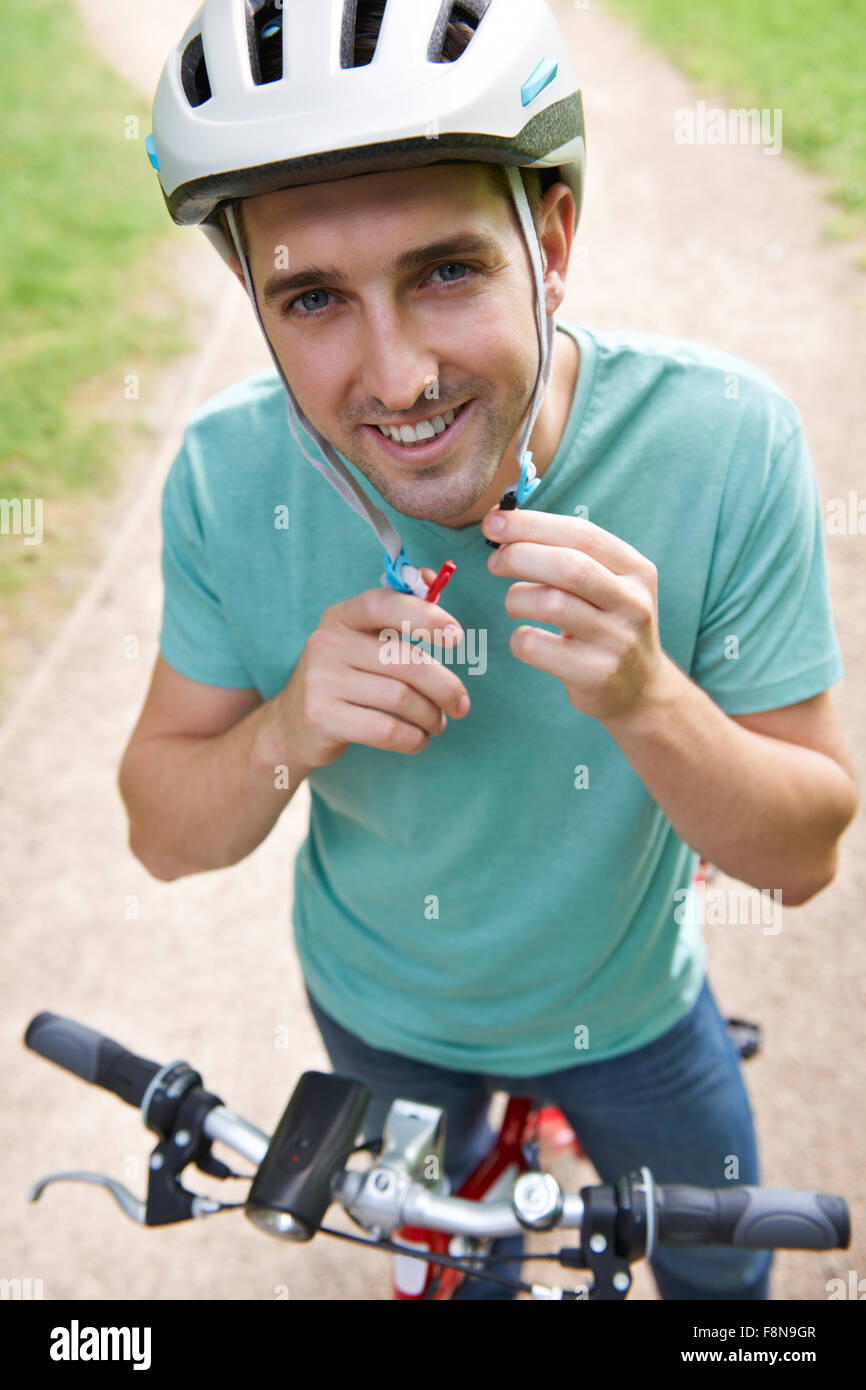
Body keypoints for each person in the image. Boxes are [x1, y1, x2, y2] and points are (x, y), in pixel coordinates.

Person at [121, 0, 858, 1299]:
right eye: (312, 297)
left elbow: (797, 856)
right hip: (378, 1017)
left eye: (445, 271)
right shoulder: (226, 477)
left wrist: (645, 695)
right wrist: (288, 723)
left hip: (631, 1015)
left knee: (724, 1289)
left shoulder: (724, 441)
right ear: (252, 294)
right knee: (463, 1286)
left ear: (551, 237)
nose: (398, 376)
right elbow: (162, 832)